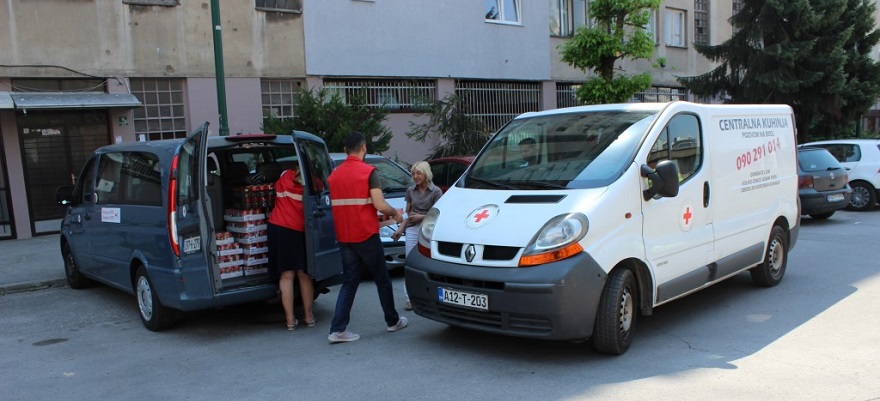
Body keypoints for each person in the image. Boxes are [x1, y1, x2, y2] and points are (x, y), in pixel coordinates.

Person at [327, 131, 409, 343]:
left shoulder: (334, 175)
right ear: (363, 148)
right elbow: (379, 204)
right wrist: (396, 214)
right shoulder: (368, 172)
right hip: (365, 233)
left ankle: (337, 329)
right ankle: (392, 321)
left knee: (349, 281)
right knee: (382, 278)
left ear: (345, 150)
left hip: (344, 235)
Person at [267, 164, 315, 331]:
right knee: (303, 274)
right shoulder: (312, 183)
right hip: (298, 229)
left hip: (278, 227)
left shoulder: (285, 176)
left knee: (286, 276)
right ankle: (308, 317)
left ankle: (289, 320)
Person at [391, 161, 443, 310]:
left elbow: (439, 214)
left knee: (430, 263)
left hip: (430, 229)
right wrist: (400, 230)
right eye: (413, 173)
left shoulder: (436, 191)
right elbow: (408, 214)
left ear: (426, 173)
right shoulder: (410, 191)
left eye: (418, 173)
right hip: (413, 228)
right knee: (410, 262)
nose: (415, 176)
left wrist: (422, 217)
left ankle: (432, 295)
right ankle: (409, 298)